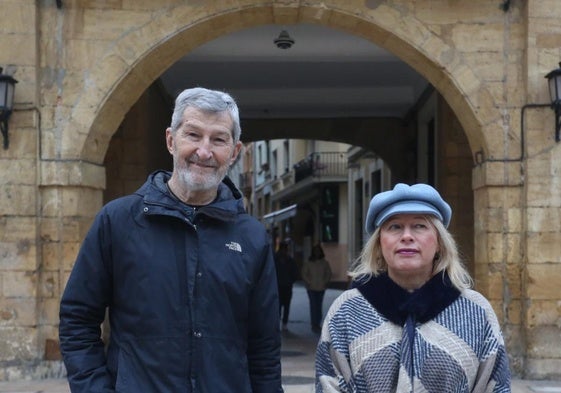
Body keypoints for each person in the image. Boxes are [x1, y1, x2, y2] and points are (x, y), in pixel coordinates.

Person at [59, 87, 283, 393]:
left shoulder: (252, 237)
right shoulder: (118, 222)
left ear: (233, 151)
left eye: (218, 139)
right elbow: (78, 319)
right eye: (193, 135)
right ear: (170, 140)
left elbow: (264, 347)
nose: (204, 151)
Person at [315, 183, 511, 392]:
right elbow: (329, 384)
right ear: (379, 243)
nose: (407, 236)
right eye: (395, 227)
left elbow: (495, 385)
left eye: (420, 226)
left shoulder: (475, 311)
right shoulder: (347, 311)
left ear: (439, 243)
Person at [301, 243, 332, 333]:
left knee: (319, 305)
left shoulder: (325, 263)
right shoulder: (309, 262)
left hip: (321, 287)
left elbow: (328, 273)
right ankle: (314, 323)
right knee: (313, 305)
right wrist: (308, 282)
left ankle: (317, 322)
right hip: (311, 287)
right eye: (315, 251)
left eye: (318, 251)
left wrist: (325, 281)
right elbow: (304, 273)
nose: (317, 253)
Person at [274, 240, 299, 331]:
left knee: (284, 305)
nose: (284, 252)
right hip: (280, 286)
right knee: (280, 305)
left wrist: (291, 280)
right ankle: (281, 322)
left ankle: (283, 323)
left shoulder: (288, 260)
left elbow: (295, 272)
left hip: (284, 285)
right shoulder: (277, 259)